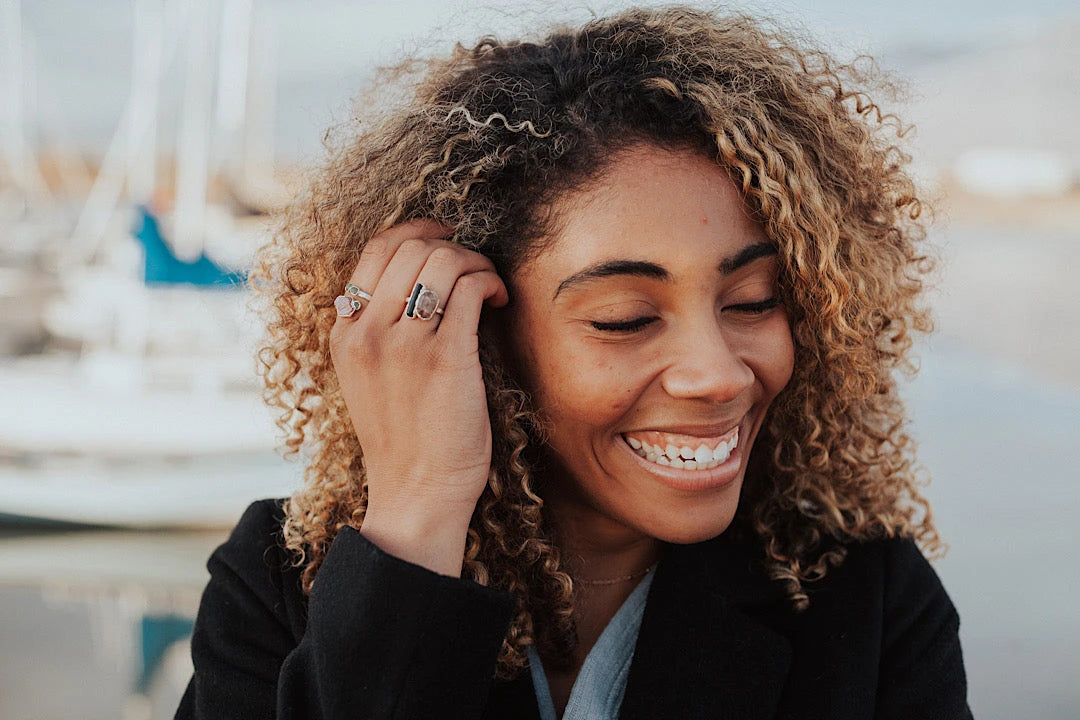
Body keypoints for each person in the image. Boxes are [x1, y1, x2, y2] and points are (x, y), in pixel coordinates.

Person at [177, 6, 971, 719]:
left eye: (754, 300)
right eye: (624, 319)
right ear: (478, 336)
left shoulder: (868, 603)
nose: (720, 374)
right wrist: (417, 523)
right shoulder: (280, 585)